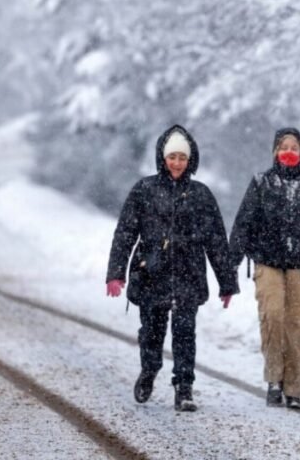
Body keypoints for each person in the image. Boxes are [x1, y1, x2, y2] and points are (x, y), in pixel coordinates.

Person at [105, 125, 239, 411]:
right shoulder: (144, 190)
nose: (177, 163)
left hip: (188, 273)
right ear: (162, 158)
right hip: (151, 273)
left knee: (185, 332)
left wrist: (227, 282)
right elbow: (125, 233)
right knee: (151, 331)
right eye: (172, 157)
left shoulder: (201, 195)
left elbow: (216, 240)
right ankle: (150, 369)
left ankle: (184, 387)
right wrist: (116, 273)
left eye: (182, 157)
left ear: (190, 160)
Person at [230, 128, 300, 408]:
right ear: (275, 151)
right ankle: (273, 379)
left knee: (297, 323)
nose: (289, 152)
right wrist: (230, 264)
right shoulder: (262, 182)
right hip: (267, 261)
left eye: (294, 147)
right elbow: (243, 223)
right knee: (272, 317)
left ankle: (293, 388)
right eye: (284, 147)